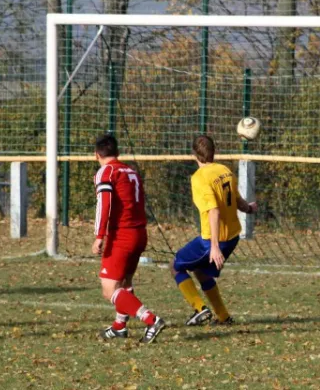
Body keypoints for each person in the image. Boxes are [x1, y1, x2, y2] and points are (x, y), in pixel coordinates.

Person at [171, 135, 257, 326]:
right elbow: (237, 200)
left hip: (212, 240)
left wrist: (215, 247)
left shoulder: (200, 178)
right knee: (201, 272)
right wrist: (249, 209)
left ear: (194, 154)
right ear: (214, 152)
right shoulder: (224, 170)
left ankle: (200, 309)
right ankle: (224, 317)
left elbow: (213, 210)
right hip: (233, 236)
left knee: (176, 266)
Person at [92, 134, 165, 344]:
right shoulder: (130, 170)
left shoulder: (106, 171)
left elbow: (103, 204)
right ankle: (119, 326)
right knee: (125, 282)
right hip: (139, 233)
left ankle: (151, 320)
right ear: (118, 153)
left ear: (96, 155)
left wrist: (99, 237)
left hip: (121, 236)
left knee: (109, 290)